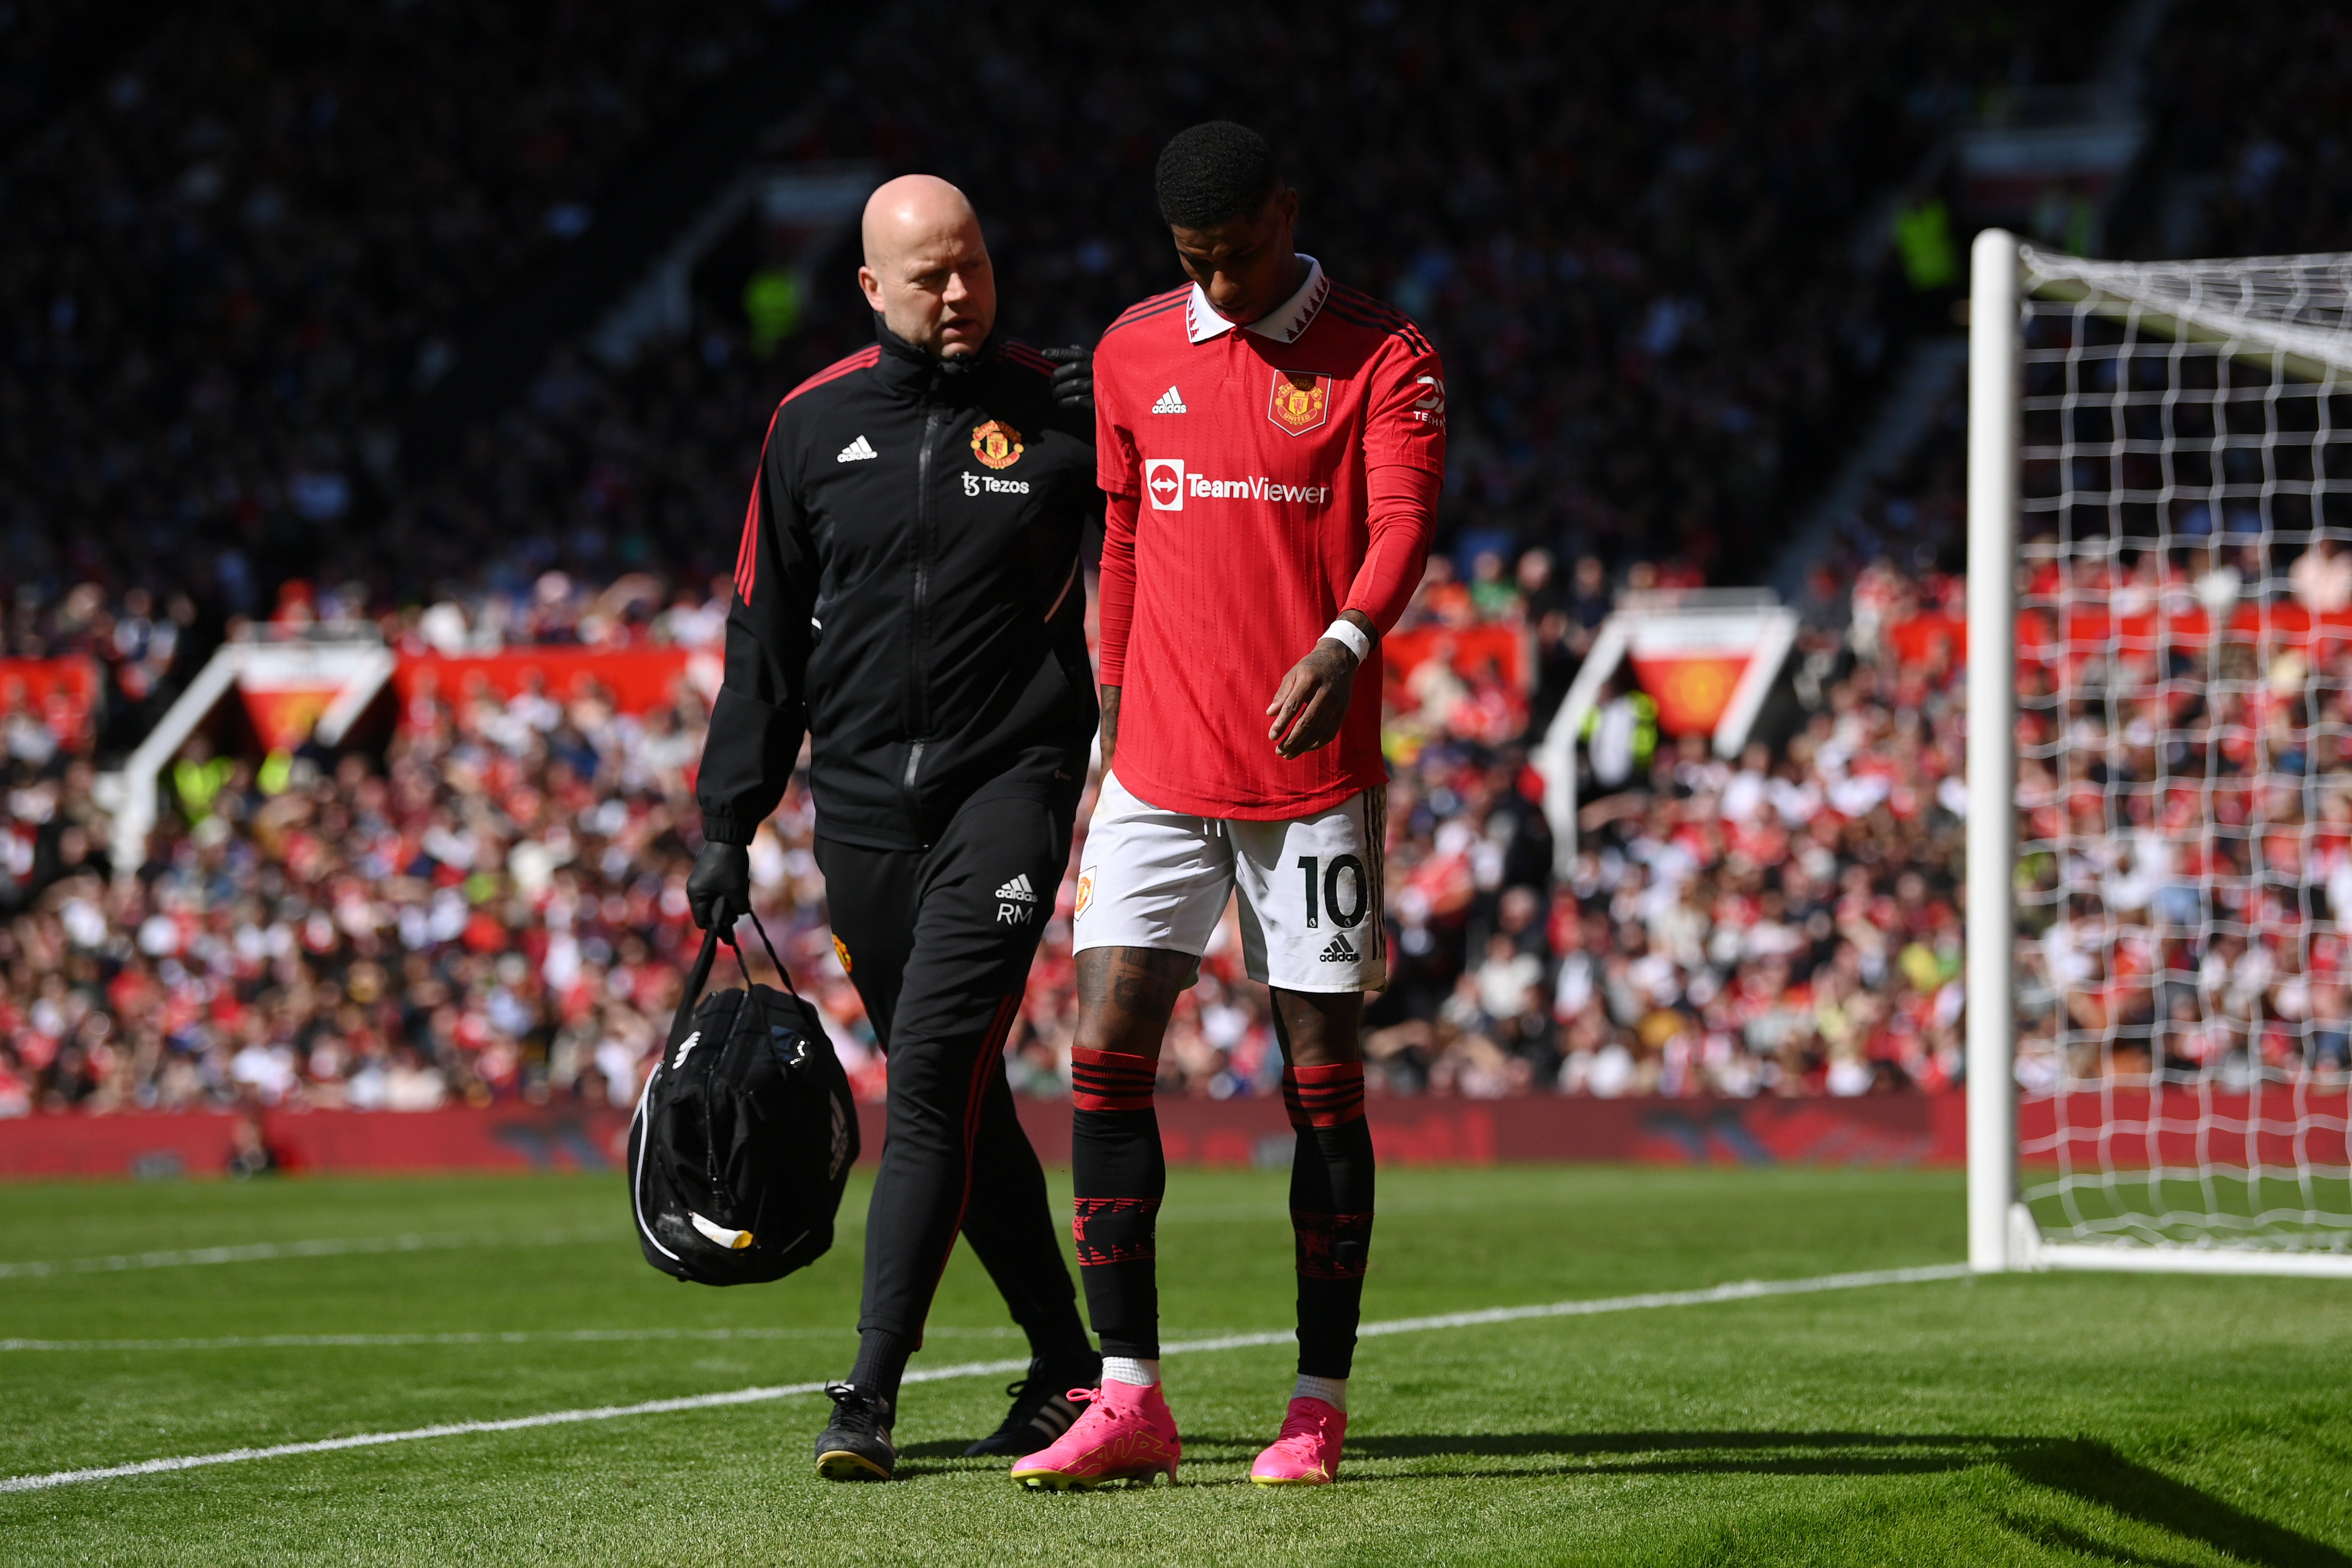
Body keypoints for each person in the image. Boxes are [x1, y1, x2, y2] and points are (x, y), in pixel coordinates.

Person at [1010, 121, 1445, 1491]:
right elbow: (1125, 536)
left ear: (1286, 215)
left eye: (1242, 253)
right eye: (1198, 261)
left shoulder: (1386, 354)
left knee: (1319, 1080)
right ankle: (1127, 1392)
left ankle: (1315, 1405)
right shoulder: (1139, 348)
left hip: (1309, 776)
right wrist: (1118, 699)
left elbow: (1401, 524)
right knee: (1103, 1048)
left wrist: (1348, 642)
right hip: (1157, 769)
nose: (1225, 282)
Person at [687, 174, 1103, 1482]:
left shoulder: (1067, 404)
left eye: (973, 263)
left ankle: (867, 1390)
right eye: (928, 276)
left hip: (1012, 789)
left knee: (926, 1079)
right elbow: (763, 638)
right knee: (963, 1103)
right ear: (871, 290)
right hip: (860, 813)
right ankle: (1065, 1368)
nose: (959, 292)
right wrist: (726, 819)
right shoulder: (807, 427)